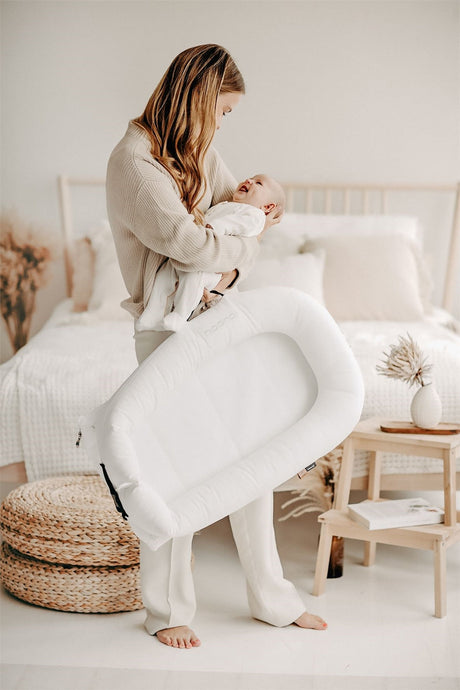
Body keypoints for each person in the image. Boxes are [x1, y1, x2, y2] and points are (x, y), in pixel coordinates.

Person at [106, 43, 327, 650]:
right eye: (223, 111)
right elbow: (190, 246)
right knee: (172, 466)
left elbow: (248, 223)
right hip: (166, 330)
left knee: (248, 452)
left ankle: (272, 598)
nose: (224, 125)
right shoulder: (134, 163)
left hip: (218, 319)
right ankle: (166, 610)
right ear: (198, 99)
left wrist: (231, 263)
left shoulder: (199, 150)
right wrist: (233, 254)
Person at [136, 173, 286, 331]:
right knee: (163, 276)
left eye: (258, 183)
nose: (249, 180)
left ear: (268, 207)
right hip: (197, 252)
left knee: (192, 278)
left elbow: (240, 225)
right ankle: (152, 313)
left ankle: (180, 315)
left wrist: (217, 226)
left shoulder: (255, 215)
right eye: (250, 178)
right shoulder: (227, 205)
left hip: (213, 269)